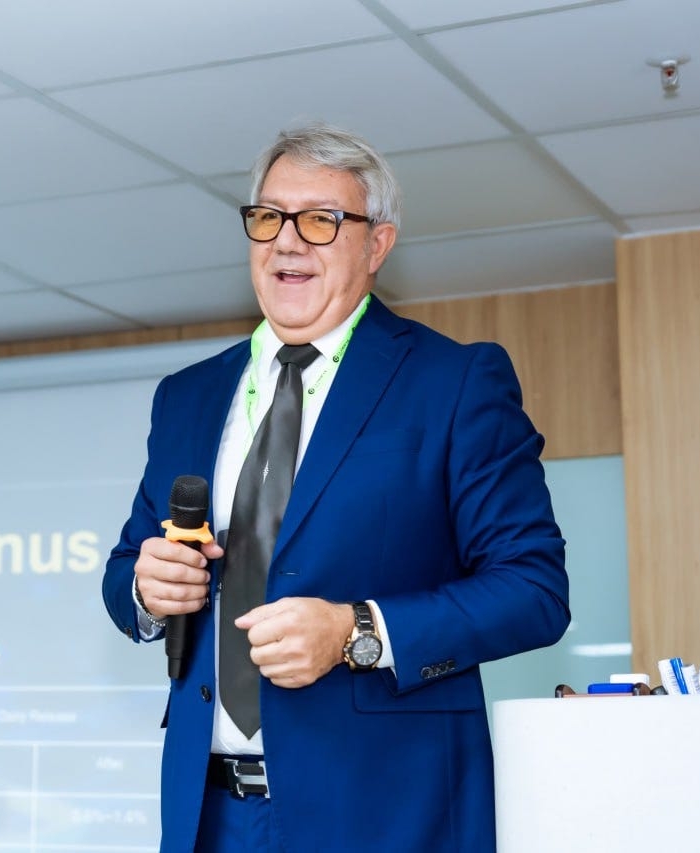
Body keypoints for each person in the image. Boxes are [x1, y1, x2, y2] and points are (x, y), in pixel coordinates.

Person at [102, 122, 569, 852]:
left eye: (321, 220)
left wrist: (357, 632)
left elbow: (533, 590)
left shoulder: (453, 382)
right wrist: (145, 587)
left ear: (377, 245)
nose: (288, 242)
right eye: (269, 217)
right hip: (207, 816)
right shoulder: (186, 396)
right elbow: (126, 566)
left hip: (385, 814)